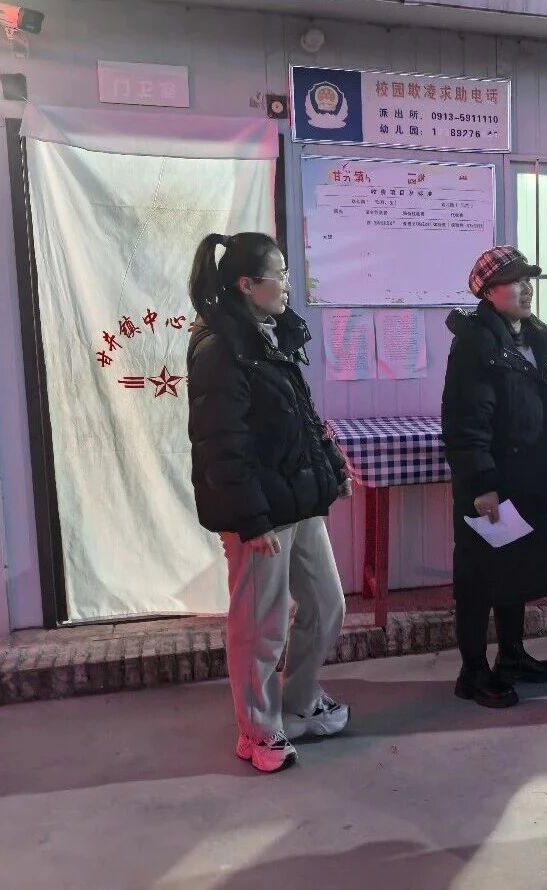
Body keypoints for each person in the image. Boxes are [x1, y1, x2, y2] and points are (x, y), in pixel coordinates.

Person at [186, 232, 352, 774]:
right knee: (261, 625)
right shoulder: (220, 347)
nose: (286, 284)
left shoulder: (273, 333)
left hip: (297, 499)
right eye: (278, 274)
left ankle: (299, 702)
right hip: (258, 512)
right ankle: (257, 731)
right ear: (246, 284)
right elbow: (222, 445)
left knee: (327, 605)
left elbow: (301, 417)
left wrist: (331, 469)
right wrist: (251, 520)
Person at [442, 246, 547, 708]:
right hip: (493, 484)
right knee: (479, 576)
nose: (526, 289)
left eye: (528, 280)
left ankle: (511, 655)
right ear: (488, 292)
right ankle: (472, 671)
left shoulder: (529, 335)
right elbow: (465, 422)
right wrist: (482, 485)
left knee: (513, 570)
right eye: (514, 282)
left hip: (527, 479)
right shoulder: (476, 343)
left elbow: (531, 394)